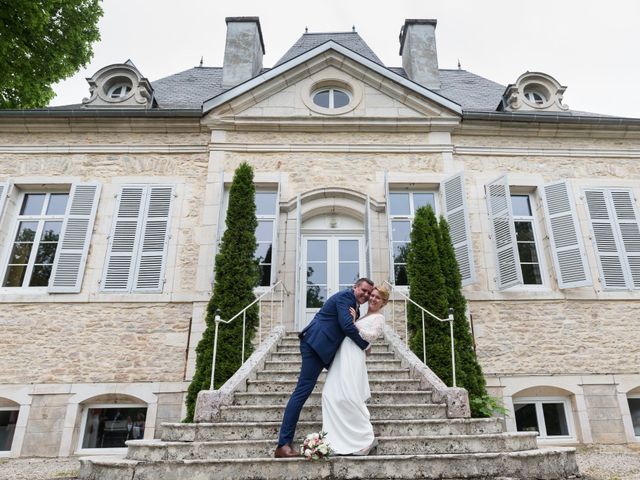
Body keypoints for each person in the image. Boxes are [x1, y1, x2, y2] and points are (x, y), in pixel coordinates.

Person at [274, 277, 374, 458]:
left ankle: (357, 434)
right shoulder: (346, 297)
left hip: (326, 350)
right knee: (301, 393)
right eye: (363, 290)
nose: (366, 295)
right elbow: (346, 326)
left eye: (369, 293)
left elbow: (348, 325)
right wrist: (365, 345)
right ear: (355, 287)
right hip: (315, 346)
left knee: (345, 390)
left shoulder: (355, 308)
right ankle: (283, 445)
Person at [322, 285, 388, 455]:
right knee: (329, 394)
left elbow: (371, 336)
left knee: (350, 395)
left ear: (383, 302)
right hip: (343, 355)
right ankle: (337, 438)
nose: (372, 299)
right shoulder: (362, 314)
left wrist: (353, 324)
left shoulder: (379, 318)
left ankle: (366, 438)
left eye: (377, 298)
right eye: (372, 295)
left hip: (353, 356)